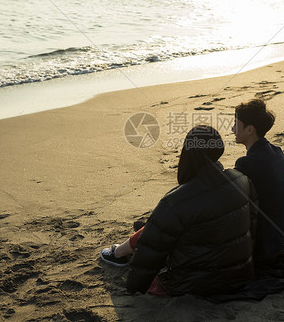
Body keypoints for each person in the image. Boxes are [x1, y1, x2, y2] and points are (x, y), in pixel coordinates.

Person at [100, 125, 256, 296]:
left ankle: (118, 253)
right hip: (241, 273)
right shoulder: (242, 179)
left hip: (193, 284)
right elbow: (252, 225)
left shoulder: (176, 200)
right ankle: (125, 248)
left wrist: (135, 286)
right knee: (161, 227)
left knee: (157, 232)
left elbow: (149, 256)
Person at [231, 99, 284, 272]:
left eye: (236, 124)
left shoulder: (247, 163)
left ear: (250, 129)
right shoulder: (276, 152)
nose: (232, 129)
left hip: (266, 245)